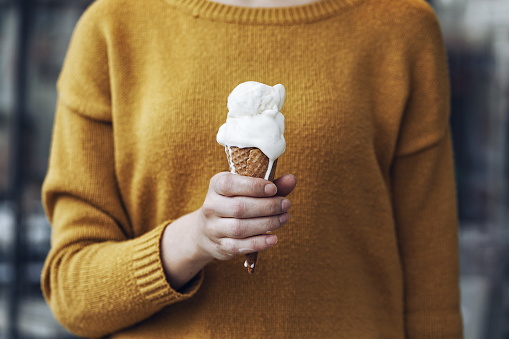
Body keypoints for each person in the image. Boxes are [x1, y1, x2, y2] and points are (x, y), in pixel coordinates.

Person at [41, 0, 463, 337]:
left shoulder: (401, 25)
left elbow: (433, 296)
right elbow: (73, 293)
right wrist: (194, 240)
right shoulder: (113, 26)